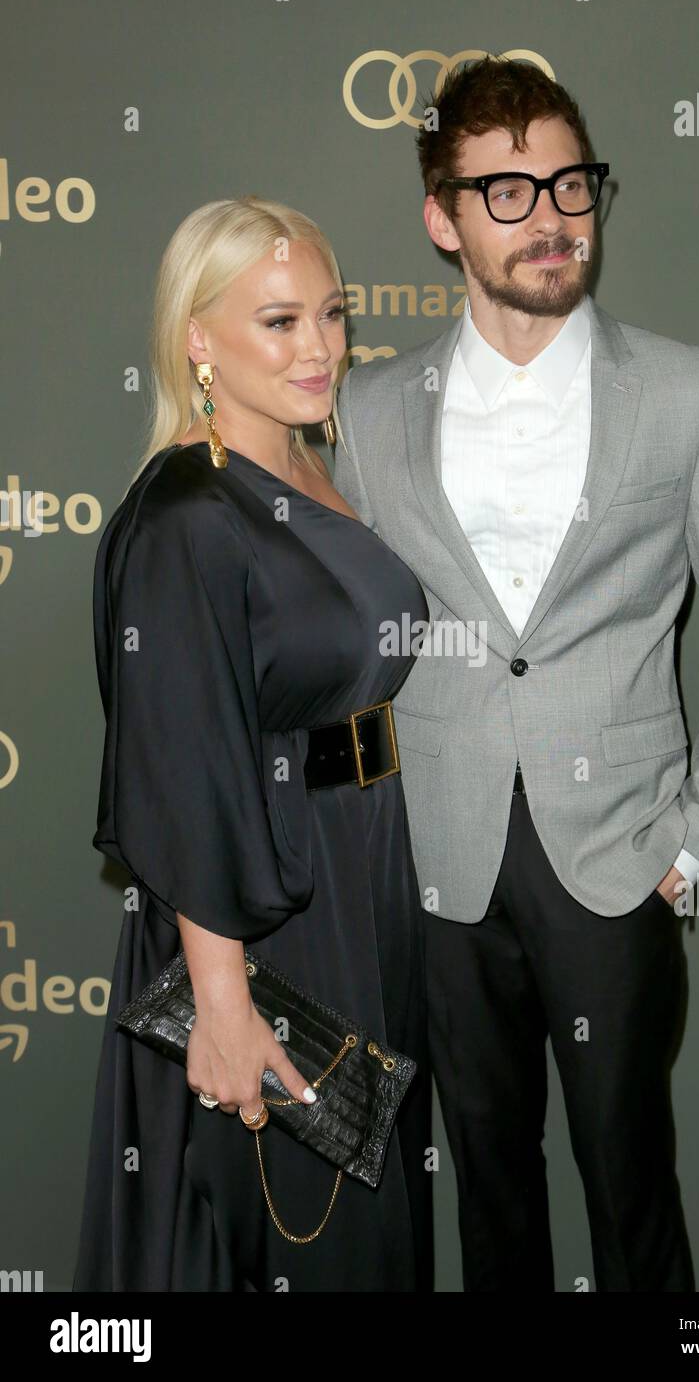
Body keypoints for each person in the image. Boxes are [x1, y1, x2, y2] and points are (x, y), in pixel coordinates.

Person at [333, 57, 699, 1291]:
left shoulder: (686, 393)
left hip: (616, 855)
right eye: (504, 193)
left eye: (567, 184)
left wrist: (696, 844)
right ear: (440, 218)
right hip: (438, 857)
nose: (548, 217)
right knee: (486, 1187)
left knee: (629, 1184)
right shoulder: (370, 410)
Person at [72, 196, 433, 1292]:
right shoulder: (188, 510)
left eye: (330, 314)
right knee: (292, 1229)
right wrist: (221, 1007)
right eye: (277, 322)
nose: (319, 347)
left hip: (361, 874)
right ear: (196, 339)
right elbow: (185, 775)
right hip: (270, 910)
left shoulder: (314, 469)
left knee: (364, 1218)